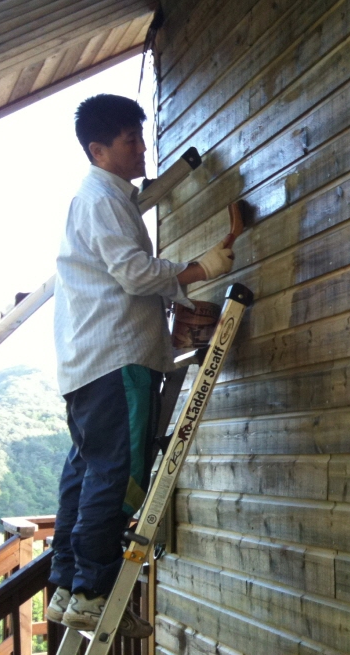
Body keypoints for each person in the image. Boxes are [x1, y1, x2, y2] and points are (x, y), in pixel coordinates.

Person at [44, 94, 233, 638]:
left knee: (85, 472)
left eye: (140, 137)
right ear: (98, 150)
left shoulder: (101, 199)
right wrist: (199, 268)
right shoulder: (102, 199)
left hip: (89, 363)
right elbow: (132, 273)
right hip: (117, 360)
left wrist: (175, 295)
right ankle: (93, 593)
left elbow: (120, 278)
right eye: (130, 140)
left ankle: (68, 585)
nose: (142, 148)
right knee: (116, 474)